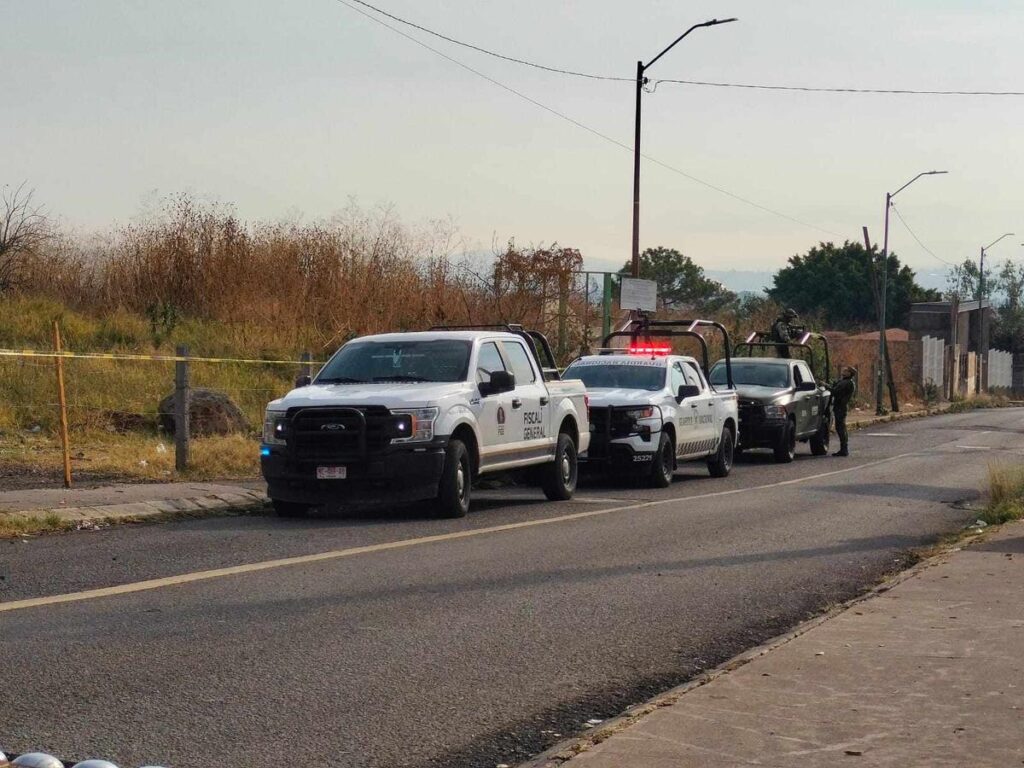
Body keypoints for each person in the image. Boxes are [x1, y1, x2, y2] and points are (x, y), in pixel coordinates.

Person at [830, 366, 857, 457]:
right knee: (840, 427)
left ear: (849, 373)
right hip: (840, 406)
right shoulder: (846, 382)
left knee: (840, 428)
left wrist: (826, 386)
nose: (843, 371)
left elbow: (835, 391)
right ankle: (843, 449)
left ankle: (844, 449)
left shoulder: (847, 383)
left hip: (840, 407)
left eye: (846, 371)